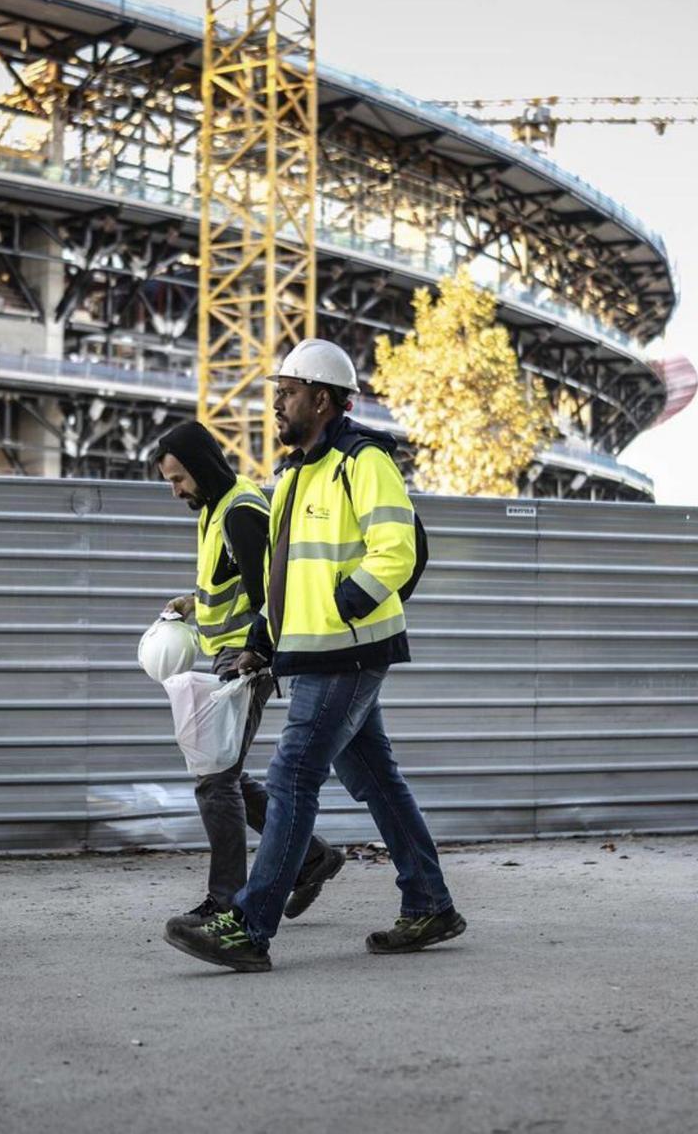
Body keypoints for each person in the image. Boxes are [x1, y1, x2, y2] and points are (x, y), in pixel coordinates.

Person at [164, 340, 465, 972]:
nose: (277, 404)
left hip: (348, 651)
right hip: (312, 655)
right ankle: (430, 902)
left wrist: (348, 602)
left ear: (322, 398)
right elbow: (280, 578)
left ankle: (248, 925)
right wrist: (263, 644)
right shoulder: (294, 473)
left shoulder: (364, 460)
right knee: (376, 780)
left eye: (288, 393)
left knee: (292, 776)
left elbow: (399, 548)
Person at [153, 421, 343, 927]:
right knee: (224, 775)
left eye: (178, 479)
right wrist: (193, 603)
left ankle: (227, 901)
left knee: (215, 780)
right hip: (227, 657)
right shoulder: (216, 509)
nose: (175, 491)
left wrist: (255, 657)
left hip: (245, 661)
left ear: (201, 467)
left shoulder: (239, 512)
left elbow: (270, 597)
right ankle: (312, 858)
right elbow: (233, 581)